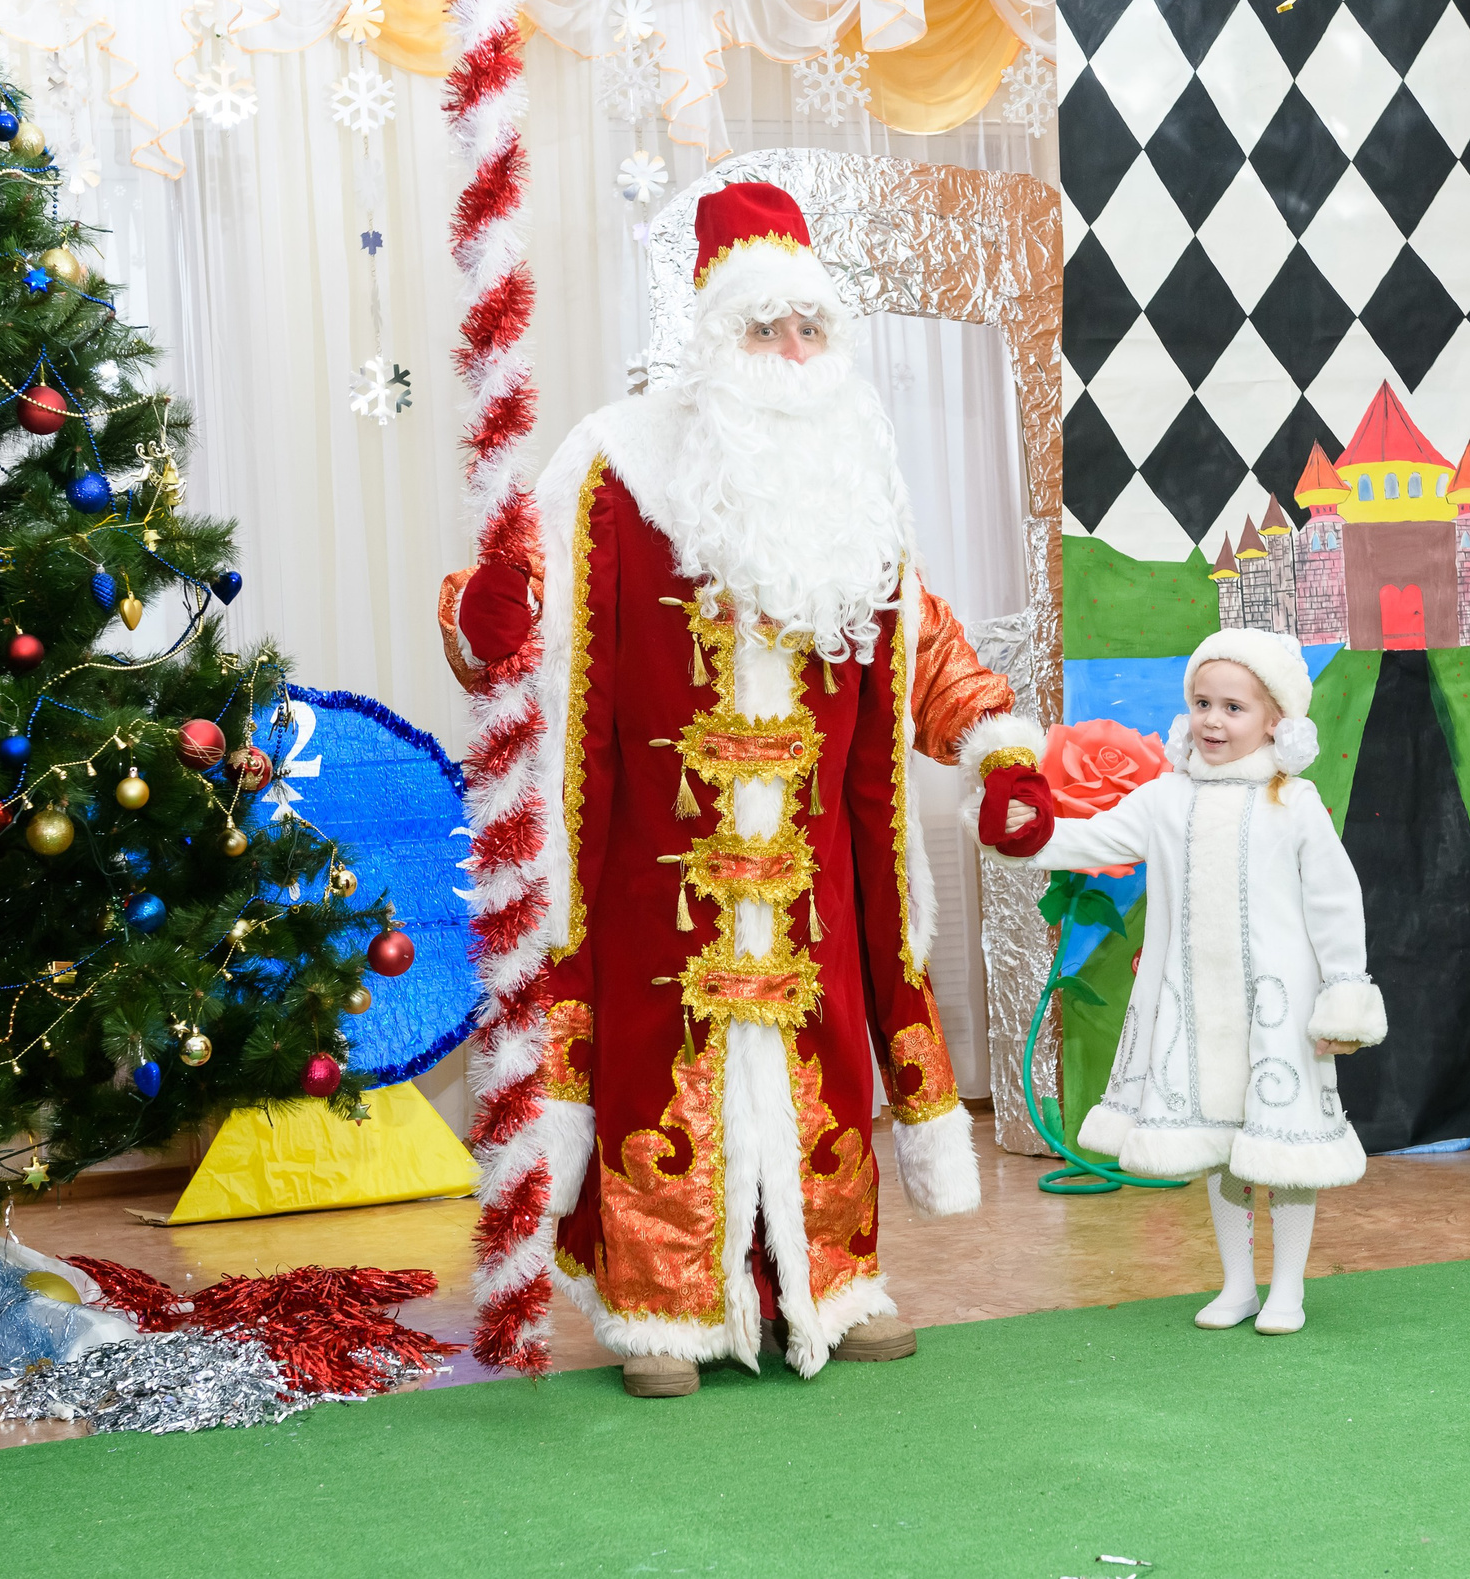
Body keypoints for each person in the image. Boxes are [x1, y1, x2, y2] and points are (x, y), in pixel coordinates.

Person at [439, 182, 1053, 1398]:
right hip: (654, 864)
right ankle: (662, 1314)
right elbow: (516, 621)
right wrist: (488, 613)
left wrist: (994, 744)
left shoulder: (855, 476)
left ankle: (834, 1282)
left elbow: (919, 637)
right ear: (716, 335)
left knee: (826, 1068)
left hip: (817, 869)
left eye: (809, 327)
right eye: (766, 327)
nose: (792, 350)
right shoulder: (615, 464)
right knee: (658, 1070)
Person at [987, 629, 1383, 1335]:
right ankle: (1238, 1284)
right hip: (1196, 1011)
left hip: (1277, 1010)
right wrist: (1023, 829)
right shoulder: (1165, 800)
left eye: (1233, 707)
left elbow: (1334, 900)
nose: (1213, 720)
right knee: (1219, 1145)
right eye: (1202, 703)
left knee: (1285, 1148)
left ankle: (1288, 1288)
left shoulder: (1294, 803)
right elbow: (1092, 838)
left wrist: (1344, 992)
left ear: (1274, 720)